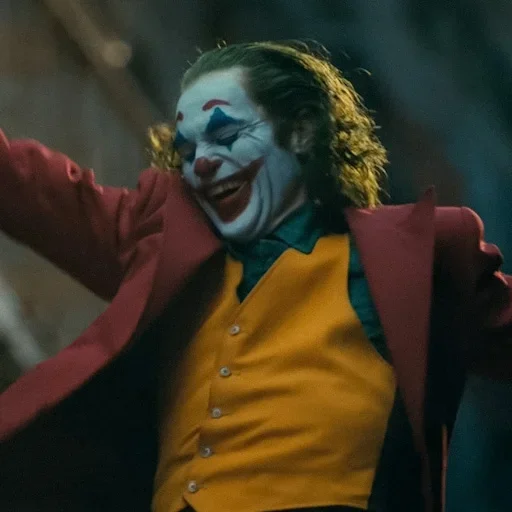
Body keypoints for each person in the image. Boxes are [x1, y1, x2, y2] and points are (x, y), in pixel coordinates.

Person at [0, 41, 510, 512]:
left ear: (302, 131)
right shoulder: (168, 249)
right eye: (187, 150)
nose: (201, 163)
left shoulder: (409, 260)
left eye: (226, 134)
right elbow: (33, 187)